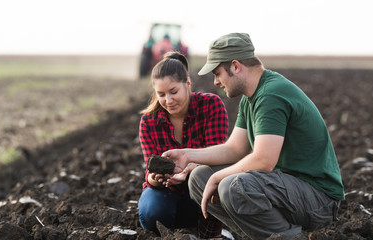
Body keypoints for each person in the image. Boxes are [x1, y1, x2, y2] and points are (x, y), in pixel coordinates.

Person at [162, 33, 345, 239]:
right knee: (198, 178)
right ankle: (260, 235)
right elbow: (234, 149)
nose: (216, 82)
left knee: (235, 187)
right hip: (288, 189)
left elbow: (264, 160)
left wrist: (218, 176)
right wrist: (187, 155)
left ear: (235, 66)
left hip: (318, 198)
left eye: (217, 73)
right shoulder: (251, 99)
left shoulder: (270, 94)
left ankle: (289, 237)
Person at [137, 51, 229, 238]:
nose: (168, 101)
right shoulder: (149, 122)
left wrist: (187, 171)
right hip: (167, 194)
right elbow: (150, 171)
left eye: (173, 92)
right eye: (161, 94)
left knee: (218, 187)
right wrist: (157, 178)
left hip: (204, 190)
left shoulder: (211, 105)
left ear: (187, 83)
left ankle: (209, 234)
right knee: (151, 211)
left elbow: (218, 158)